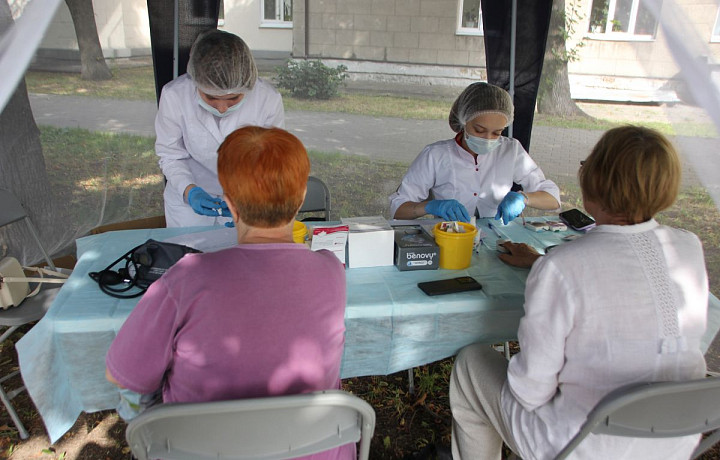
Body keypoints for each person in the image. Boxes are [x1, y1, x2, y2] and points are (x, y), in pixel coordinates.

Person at [450, 125, 709, 460]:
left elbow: (529, 391)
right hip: (676, 437)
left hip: (584, 445)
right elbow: (627, 278)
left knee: (471, 363)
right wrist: (543, 262)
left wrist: (549, 267)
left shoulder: (563, 267)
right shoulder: (688, 247)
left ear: (593, 184)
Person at [106, 126, 353, 459]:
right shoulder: (331, 271)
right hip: (312, 449)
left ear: (229, 204)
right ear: (300, 200)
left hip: (199, 450)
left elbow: (124, 374)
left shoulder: (185, 279)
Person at [156, 29, 285, 227]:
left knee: (239, 256)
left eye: (233, 98)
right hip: (188, 202)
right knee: (190, 255)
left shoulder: (267, 99)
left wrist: (251, 197)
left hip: (245, 197)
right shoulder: (175, 96)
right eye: (211, 97)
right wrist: (190, 191)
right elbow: (171, 155)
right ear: (196, 82)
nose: (222, 107)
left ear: (246, 86)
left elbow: (271, 159)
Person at [389, 82, 560, 224]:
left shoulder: (511, 150)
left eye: (497, 133)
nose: (487, 138)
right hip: (450, 237)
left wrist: (523, 198)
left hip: (496, 239)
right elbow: (397, 209)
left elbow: (552, 197)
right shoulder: (435, 155)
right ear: (463, 121)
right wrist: (429, 206)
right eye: (479, 130)